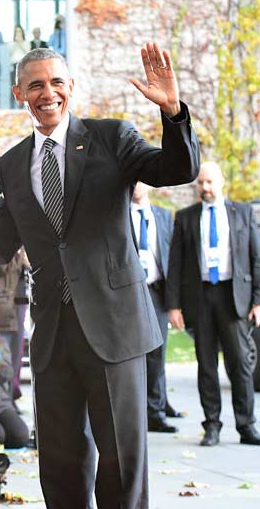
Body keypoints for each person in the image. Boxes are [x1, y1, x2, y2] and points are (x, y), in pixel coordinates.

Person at [0, 45, 199, 508]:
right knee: (59, 462)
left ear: (70, 87)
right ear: (19, 93)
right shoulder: (12, 164)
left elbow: (176, 169)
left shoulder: (111, 137)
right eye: (34, 84)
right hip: (53, 333)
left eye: (56, 82)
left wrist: (172, 113)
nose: (46, 93)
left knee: (120, 460)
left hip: (114, 327)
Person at [166, 162, 260, 446]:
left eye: (209, 182)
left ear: (221, 182)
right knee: (206, 365)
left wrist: (258, 300)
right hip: (201, 297)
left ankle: (246, 426)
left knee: (241, 365)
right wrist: (174, 306)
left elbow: (257, 259)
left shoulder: (243, 213)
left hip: (235, 297)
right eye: (200, 183)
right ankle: (212, 426)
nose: (204, 188)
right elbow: (176, 264)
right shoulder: (185, 217)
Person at [130, 182, 180, 433]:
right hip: (128, 293)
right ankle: (133, 412)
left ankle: (156, 412)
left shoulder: (163, 216)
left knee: (157, 353)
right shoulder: (118, 213)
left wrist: (174, 304)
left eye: (141, 180)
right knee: (129, 353)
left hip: (157, 291)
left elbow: (173, 258)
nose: (136, 186)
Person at [8, 26, 28, 109]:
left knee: (23, 86)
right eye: (16, 32)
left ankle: (21, 104)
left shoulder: (26, 42)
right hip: (14, 65)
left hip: (23, 66)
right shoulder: (12, 43)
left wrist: (20, 44)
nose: (18, 33)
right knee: (13, 85)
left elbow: (27, 52)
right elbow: (10, 53)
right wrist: (16, 43)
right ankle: (12, 105)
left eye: (19, 31)